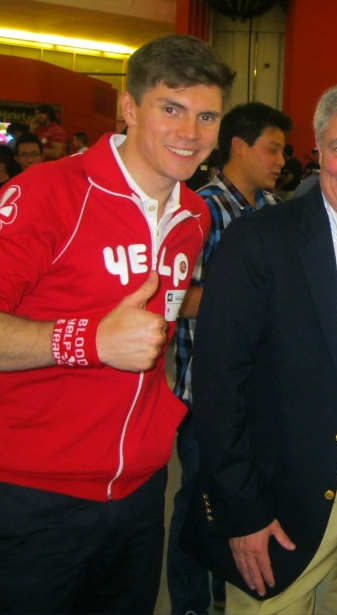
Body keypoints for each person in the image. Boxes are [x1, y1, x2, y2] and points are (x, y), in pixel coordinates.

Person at [0, 33, 234, 614]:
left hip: (139, 492)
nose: (190, 132)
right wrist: (88, 340)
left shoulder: (193, 215)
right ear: (129, 107)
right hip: (32, 495)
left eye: (207, 116)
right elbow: (101, 337)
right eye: (171, 109)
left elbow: (165, 315)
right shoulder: (47, 193)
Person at [182, 77, 337, 614]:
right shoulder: (260, 241)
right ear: (318, 152)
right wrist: (241, 512)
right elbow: (216, 386)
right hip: (277, 505)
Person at [168, 101, 291, 615]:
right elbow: (175, 297)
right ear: (238, 146)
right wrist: (250, 302)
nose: (281, 161)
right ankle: (190, 603)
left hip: (258, 390)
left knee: (243, 500)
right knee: (199, 505)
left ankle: (226, 594)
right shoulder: (203, 209)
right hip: (207, 391)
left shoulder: (271, 209)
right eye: (272, 149)